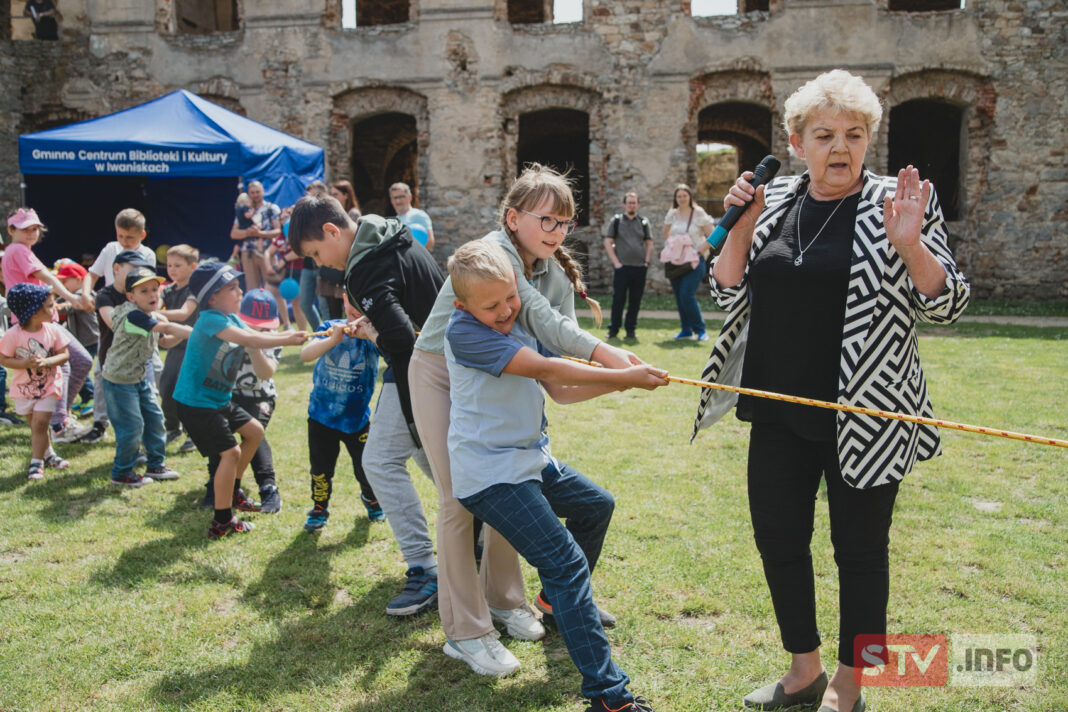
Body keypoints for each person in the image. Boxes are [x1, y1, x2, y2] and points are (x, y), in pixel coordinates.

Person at [692, 70, 971, 712]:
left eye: (854, 133)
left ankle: (853, 686)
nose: (840, 147)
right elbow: (728, 292)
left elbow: (948, 305)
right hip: (777, 411)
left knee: (862, 556)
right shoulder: (778, 201)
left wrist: (911, 246)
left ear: (869, 138)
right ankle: (803, 672)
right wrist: (741, 225)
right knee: (780, 543)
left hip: (868, 416)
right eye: (824, 135)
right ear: (796, 142)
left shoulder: (893, 204)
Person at [411, 164, 632, 676]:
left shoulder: (551, 269)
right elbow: (545, 323)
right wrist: (609, 356)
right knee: (460, 499)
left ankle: (506, 600)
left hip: (500, 372)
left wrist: (612, 372)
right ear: (513, 219)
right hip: (440, 371)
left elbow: (559, 346)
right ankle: (466, 632)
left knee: (514, 481)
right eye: (545, 220)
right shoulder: (496, 253)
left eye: (564, 223)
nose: (555, 232)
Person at [444, 240, 667, 709]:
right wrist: (622, 377)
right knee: (565, 563)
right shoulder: (465, 332)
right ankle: (609, 696)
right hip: (490, 474)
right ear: (463, 306)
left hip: (528, 460)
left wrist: (623, 381)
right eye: (492, 305)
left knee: (595, 506)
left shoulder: (514, 317)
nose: (507, 310)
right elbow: (544, 366)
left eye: (511, 297)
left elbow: (559, 390)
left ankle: (551, 603)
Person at [289, 197, 442, 617]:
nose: (321, 265)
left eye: (317, 253)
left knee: (378, 462)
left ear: (332, 231)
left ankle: (427, 569)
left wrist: (373, 335)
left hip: (420, 370)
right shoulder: (389, 237)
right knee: (429, 457)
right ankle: (475, 536)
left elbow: (402, 342)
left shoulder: (367, 265)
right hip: (433, 366)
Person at [174, 262, 306, 538]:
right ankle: (222, 521)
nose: (239, 292)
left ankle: (232, 492)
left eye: (238, 286)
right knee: (231, 453)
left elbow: (255, 335)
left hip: (217, 399)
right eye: (232, 288)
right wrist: (290, 339)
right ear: (212, 297)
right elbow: (250, 339)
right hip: (197, 403)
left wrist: (287, 334)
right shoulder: (211, 319)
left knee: (254, 432)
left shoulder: (231, 317)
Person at [3, 208, 94, 443]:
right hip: (35, 323)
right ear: (11, 230)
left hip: (40, 321)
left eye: (35, 229)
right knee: (71, 364)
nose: (32, 233)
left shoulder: (18, 251)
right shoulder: (17, 250)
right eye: (25, 229)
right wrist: (73, 298)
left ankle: (58, 419)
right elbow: (49, 279)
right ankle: (58, 424)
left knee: (73, 364)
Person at [299, 299, 384, 531]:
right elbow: (306, 354)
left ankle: (372, 499)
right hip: (321, 417)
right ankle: (319, 507)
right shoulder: (329, 326)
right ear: (344, 300)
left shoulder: (373, 334)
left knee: (365, 466)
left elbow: (393, 353)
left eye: (361, 303)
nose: (355, 308)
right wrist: (332, 339)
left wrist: (371, 335)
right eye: (350, 301)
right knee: (320, 469)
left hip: (356, 420)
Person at [102, 267, 188, 487]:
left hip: (138, 378)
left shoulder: (151, 315)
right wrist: (200, 333)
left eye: (155, 289)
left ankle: (156, 465)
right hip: (119, 381)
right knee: (132, 427)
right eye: (144, 291)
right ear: (131, 297)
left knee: (154, 419)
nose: (152, 295)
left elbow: (165, 339)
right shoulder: (133, 315)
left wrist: (179, 337)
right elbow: (166, 326)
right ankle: (121, 473)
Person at [0, 283, 72, 479]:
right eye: (49, 306)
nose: (54, 309)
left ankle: (36, 463)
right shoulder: (13, 335)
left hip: (49, 385)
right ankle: (49, 455)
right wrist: (25, 363)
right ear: (33, 312)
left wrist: (47, 361)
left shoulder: (53, 330)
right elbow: (3, 358)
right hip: (24, 389)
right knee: (37, 426)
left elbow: (64, 355)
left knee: (40, 423)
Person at [84, 250, 154, 445]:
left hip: (140, 359)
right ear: (116, 269)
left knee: (143, 404)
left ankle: (144, 444)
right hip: (112, 358)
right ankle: (99, 425)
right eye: (134, 269)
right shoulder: (105, 295)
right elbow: (114, 322)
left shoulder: (144, 294)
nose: (139, 273)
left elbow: (156, 315)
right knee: (104, 389)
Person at [660, 184, 715, 341]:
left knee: (686, 294)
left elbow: (713, 235)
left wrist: (697, 250)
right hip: (676, 261)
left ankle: (701, 329)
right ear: (675, 199)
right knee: (678, 295)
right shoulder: (673, 213)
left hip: (695, 260)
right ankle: (686, 330)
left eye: (685, 195)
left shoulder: (698, 213)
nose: (682, 198)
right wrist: (676, 243)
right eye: (679, 196)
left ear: (690, 196)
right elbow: (666, 234)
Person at [158, 245, 199, 453]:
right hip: (175, 347)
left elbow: (184, 313)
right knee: (166, 386)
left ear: (192, 266)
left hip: (194, 346)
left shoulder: (195, 289)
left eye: (177, 265)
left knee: (188, 391)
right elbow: (156, 302)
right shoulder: (167, 289)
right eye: (169, 265)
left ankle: (194, 432)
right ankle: (172, 427)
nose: (172, 269)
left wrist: (156, 313)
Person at [603, 192, 654, 340]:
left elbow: (649, 243)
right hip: (622, 268)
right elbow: (608, 242)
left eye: (634, 202)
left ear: (638, 204)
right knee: (618, 299)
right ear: (624, 204)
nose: (632, 205)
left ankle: (630, 330)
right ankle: (613, 330)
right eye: (629, 202)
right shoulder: (617, 221)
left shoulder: (644, 222)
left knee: (635, 301)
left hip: (639, 268)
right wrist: (616, 263)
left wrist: (647, 262)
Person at [54, 259, 98, 416]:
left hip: (89, 339)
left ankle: (91, 397)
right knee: (76, 368)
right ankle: (86, 397)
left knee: (78, 368)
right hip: (82, 339)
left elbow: (68, 309)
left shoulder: (83, 295)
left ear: (79, 279)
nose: (63, 285)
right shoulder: (73, 295)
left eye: (65, 281)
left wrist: (52, 301)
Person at [85, 208, 157, 290]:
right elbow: (92, 275)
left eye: (129, 237)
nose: (124, 241)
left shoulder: (148, 255)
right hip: (109, 300)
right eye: (120, 236)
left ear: (142, 235)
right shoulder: (111, 248)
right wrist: (86, 294)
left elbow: (147, 286)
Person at [229, 181, 281, 291]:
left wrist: (260, 234)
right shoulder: (243, 210)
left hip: (267, 253)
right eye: (252, 193)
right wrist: (248, 232)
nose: (255, 195)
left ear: (263, 191)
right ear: (249, 193)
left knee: (272, 287)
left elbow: (278, 231)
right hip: (248, 252)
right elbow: (234, 233)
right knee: (252, 289)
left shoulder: (271, 208)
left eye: (257, 192)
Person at [389, 182, 435, 249]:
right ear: (391, 200)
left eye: (401, 197)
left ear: (409, 197)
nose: (398, 201)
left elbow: (430, 242)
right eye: (395, 198)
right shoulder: (394, 220)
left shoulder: (419, 215)